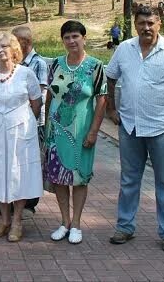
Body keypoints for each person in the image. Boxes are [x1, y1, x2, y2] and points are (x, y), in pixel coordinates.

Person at [106, 6, 164, 254]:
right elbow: (110, 78)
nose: (146, 27)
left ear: (159, 24)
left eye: (150, 23)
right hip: (130, 128)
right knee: (128, 180)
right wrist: (111, 110)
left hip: (162, 129)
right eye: (141, 23)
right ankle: (125, 227)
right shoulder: (124, 49)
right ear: (135, 25)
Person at [43, 20, 108, 245]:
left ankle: (77, 223)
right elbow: (50, 94)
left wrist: (93, 131)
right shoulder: (55, 64)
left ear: (84, 38)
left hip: (81, 131)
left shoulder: (95, 66)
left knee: (79, 178)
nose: (71, 41)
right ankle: (64, 221)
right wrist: (45, 126)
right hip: (55, 129)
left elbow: (102, 101)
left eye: (75, 37)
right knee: (59, 177)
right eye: (67, 37)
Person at [0, 33, 43, 242]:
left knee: (20, 173)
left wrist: (24, 120)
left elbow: (36, 103)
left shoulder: (26, 74)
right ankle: (4, 220)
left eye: (5, 46)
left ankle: (17, 221)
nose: (0, 50)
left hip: (21, 130)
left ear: (14, 49)